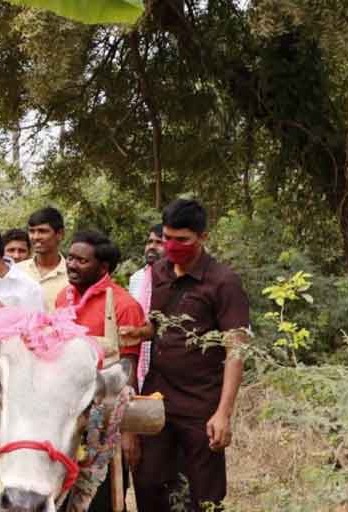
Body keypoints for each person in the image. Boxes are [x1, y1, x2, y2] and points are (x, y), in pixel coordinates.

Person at [127, 199, 250, 512]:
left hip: (201, 405)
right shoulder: (159, 271)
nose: (172, 246)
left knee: (204, 494)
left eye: (183, 240)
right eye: (167, 237)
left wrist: (224, 413)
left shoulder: (223, 282)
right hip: (156, 399)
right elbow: (159, 323)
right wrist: (141, 331)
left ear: (203, 237)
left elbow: (236, 349)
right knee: (149, 483)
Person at [55, 229, 146, 512]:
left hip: (106, 422)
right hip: (66, 418)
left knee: (102, 499)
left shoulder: (124, 305)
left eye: (81, 261)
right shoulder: (62, 298)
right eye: (70, 258)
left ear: (103, 267)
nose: (71, 265)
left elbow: (128, 371)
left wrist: (129, 430)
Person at [128, 223, 164, 391]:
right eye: (149, 242)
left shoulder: (175, 280)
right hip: (137, 356)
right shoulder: (136, 278)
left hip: (162, 363)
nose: (151, 247)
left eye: (159, 243)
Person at [19, 206, 70, 311]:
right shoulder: (17, 271)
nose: (35, 237)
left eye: (42, 231)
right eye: (32, 231)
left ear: (60, 234)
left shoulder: (72, 275)